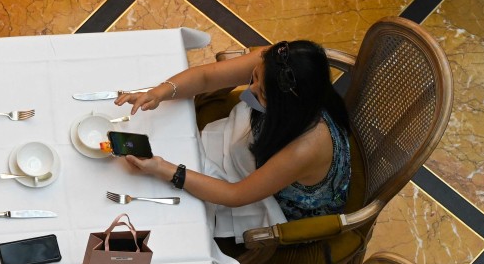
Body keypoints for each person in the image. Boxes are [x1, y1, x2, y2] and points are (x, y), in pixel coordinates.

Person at [114, 41, 352, 240]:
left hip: (288, 204)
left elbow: (235, 196)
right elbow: (206, 77)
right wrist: (159, 93)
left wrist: (165, 169)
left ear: (286, 106)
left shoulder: (305, 147)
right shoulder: (276, 64)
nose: (250, 89)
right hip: (268, 152)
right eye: (254, 77)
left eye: (262, 93)